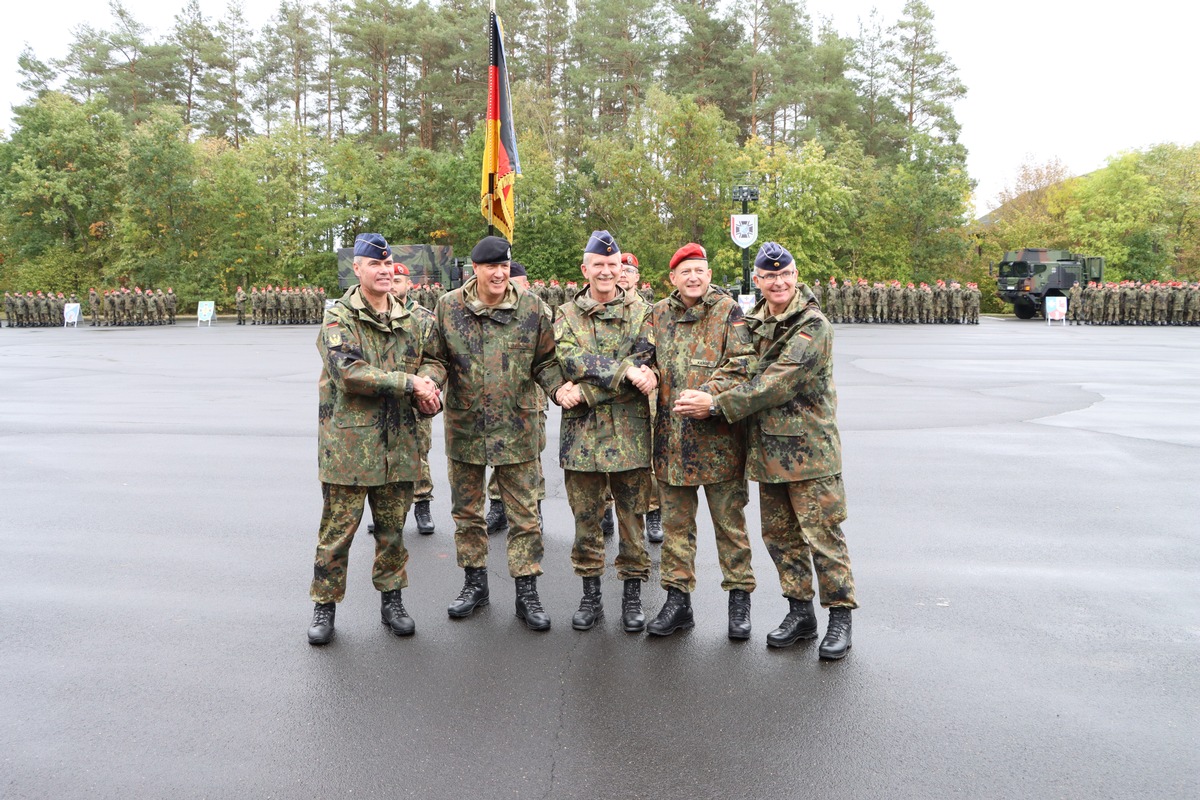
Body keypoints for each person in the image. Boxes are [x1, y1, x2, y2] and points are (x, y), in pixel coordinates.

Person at [675, 242, 857, 660]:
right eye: (769, 276)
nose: (779, 282)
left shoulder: (812, 324)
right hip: (768, 453)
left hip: (810, 455)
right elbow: (735, 364)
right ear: (757, 280)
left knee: (823, 537)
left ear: (796, 275)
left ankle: (840, 618)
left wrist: (716, 405)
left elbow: (776, 382)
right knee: (781, 539)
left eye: (786, 274)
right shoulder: (753, 320)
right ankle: (801, 613)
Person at [419, 235, 566, 632]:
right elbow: (436, 358)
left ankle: (527, 591)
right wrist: (429, 383)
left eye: (504, 266)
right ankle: (474, 584)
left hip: (517, 429)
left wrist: (558, 388)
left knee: (524, 517)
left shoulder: (533, 307)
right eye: (491, 267)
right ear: (476, 270)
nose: (499, 273)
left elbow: (546, 362)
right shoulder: (449, 307)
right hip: (466, 427)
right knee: (467, 514)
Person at [305, 233, 442, 646]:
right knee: (337, 533)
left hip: (400, 445)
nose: (384, 271)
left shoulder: (415, 318)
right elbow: (349, 372)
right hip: (350, 448)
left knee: (392, 532)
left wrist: (431, 386)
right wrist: (410, 382)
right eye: (375, 264)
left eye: (388, 265)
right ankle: (324, 606)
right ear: (358, 269)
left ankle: (393, 601)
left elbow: (435, 359)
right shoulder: (338, 318)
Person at [645, 243, 757, 640]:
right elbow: (642, 357)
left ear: (709, 274)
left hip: (719, 442)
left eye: (701, 270)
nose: (694, 277)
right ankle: (677, 603)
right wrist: (643, 373)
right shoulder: (657, 314)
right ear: (672, 278)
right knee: (676, 529)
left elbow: (743, 363)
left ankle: (739, 601)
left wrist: (708, 396)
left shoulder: (729, 312)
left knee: (730, 526)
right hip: (672, 443)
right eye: (686, 271)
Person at [555, 231, 657, 632]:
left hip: (629, 434)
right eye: (598, 264)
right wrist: (622, 371)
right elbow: (568, 358)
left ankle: (632, 596)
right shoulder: (564, 314)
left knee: (632, 519)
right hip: (582, 439)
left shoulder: (643, 312)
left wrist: (586, 390)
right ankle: (590, 595)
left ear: (622, 269)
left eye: (612, 265)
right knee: (586, 520)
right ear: (585, 269)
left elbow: (645, 358)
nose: (606, 271)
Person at [483, 261, 549, 535]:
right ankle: (498, 505)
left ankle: (534, 507)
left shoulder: (536, 309)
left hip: (528, 399)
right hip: (494, 400)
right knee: (495, 452)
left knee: (530, 456)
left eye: (518, 282)